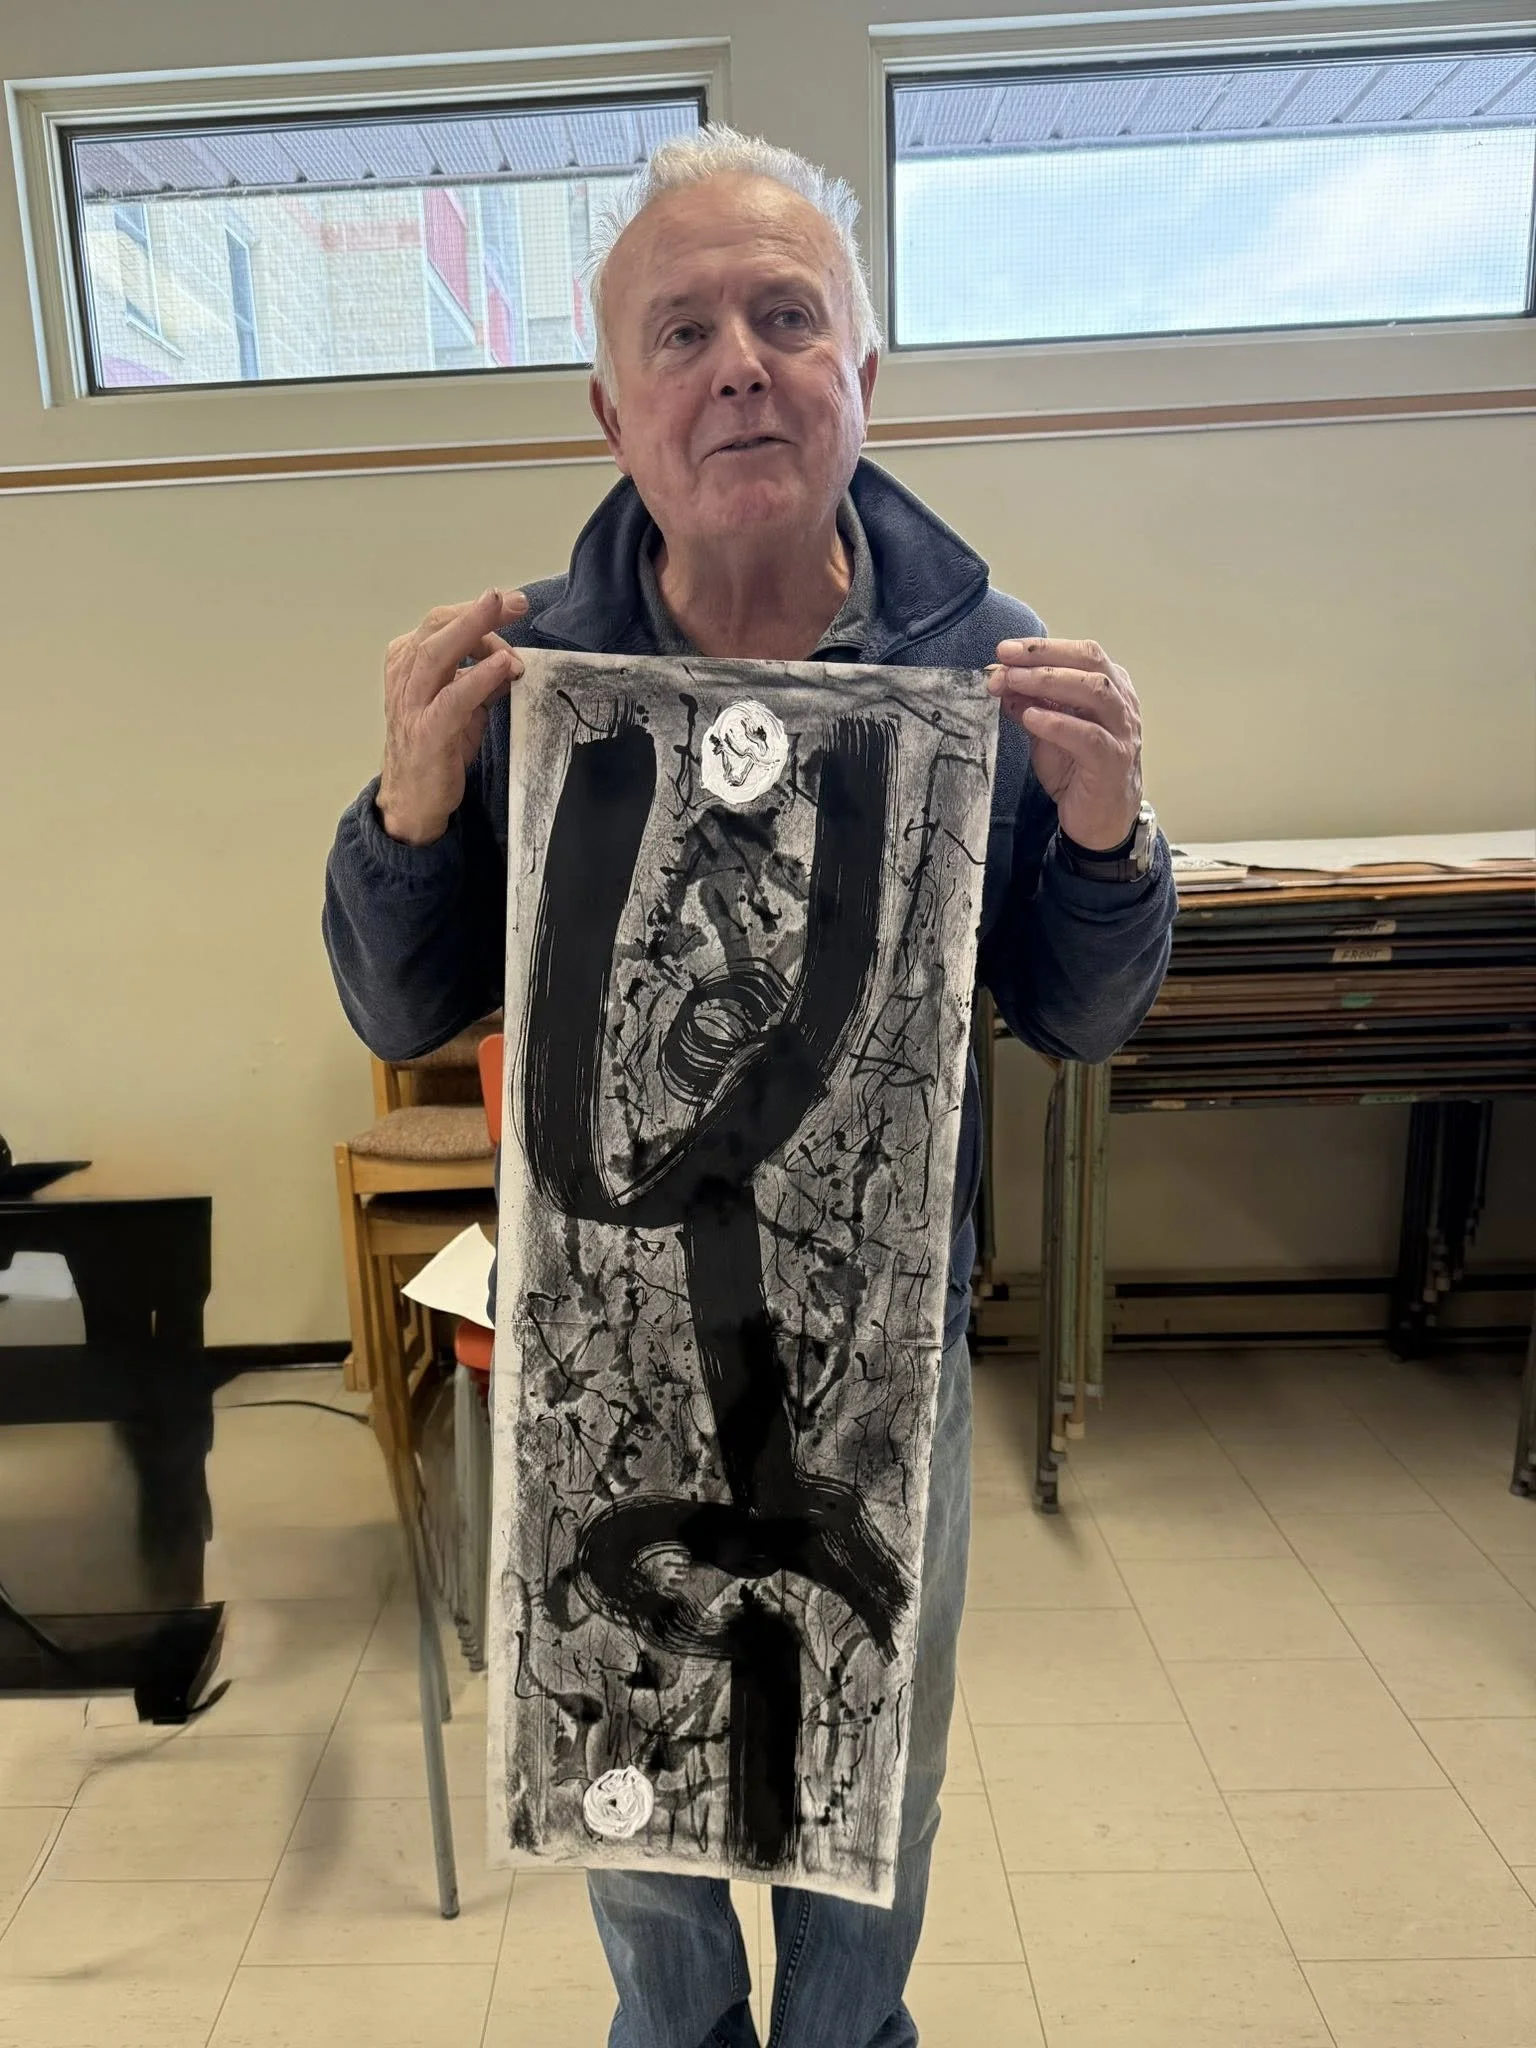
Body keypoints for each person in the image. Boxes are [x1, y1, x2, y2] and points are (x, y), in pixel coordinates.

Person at [324, 124, 1176, 2048]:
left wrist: (1112, 844)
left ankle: (849, 2038)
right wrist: (408, 813)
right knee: (634, 1773)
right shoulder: (533, 674)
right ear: (611, 410)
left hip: (881, 1338)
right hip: (609, 1342)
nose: (741, 368)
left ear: (863, 371)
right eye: (684, 330)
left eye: (788, 319)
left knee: (870, 1764)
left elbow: (1081, 1015)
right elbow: (398, 992)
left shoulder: (989, 668)